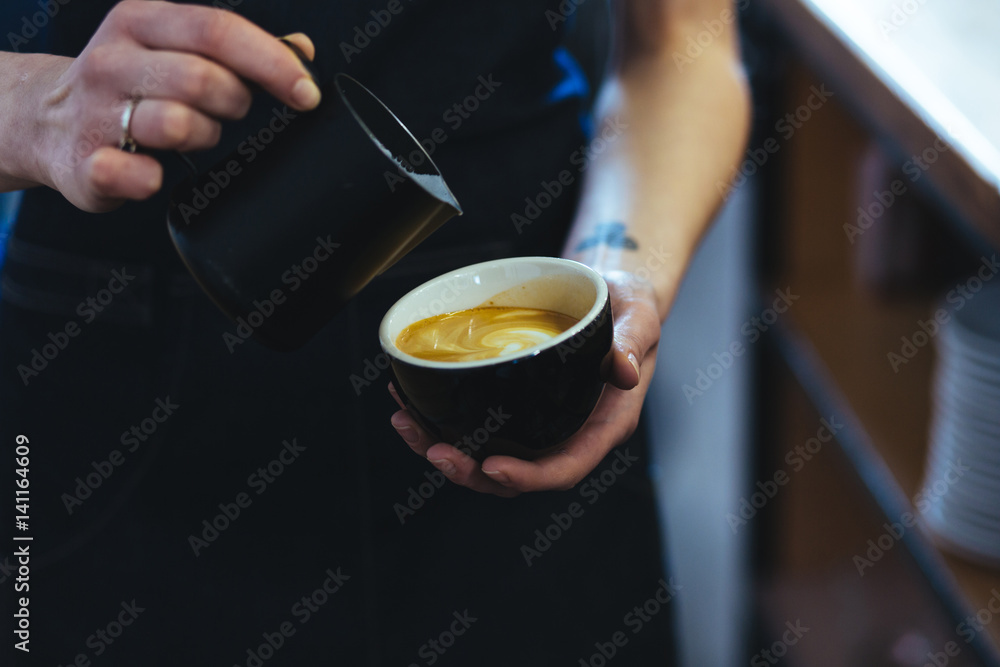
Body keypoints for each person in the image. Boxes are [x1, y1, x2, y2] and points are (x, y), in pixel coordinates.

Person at [0, 0, 749, 664]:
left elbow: (681, 46)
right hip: (122, 392)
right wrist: (34, 105)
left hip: (525, 375)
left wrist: (617, 277)